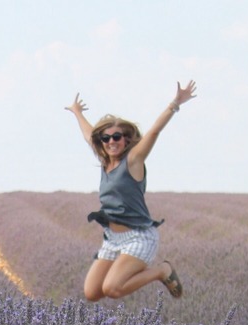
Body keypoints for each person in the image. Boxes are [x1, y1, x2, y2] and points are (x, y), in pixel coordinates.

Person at [66, 81, 197, 302]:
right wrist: (77, 112)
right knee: (92, 293)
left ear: (126, 139)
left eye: (116, 137)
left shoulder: (134, 160)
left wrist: (175, 103)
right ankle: (151, 270)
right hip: (112, 238)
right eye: (106, 138)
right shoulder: (105, 160)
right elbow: (89, 136)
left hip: (138, 237)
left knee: (113, 289)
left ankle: (161, 271)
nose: (111, 142)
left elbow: (154, 132)